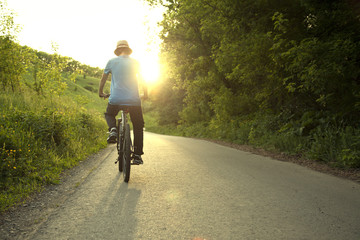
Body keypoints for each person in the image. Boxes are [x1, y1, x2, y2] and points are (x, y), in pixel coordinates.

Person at [98, 40, 147, 164]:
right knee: (138, 125)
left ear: (118, 51)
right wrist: (145, 94)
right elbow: (143, 80)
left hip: (116, 99)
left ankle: (113, 129)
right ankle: (137, 155)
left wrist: (101, 92)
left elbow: (103, 79)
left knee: (109, 114)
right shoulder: (136, 62)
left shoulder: (111, 62)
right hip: (134, 100)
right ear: (128, 50)